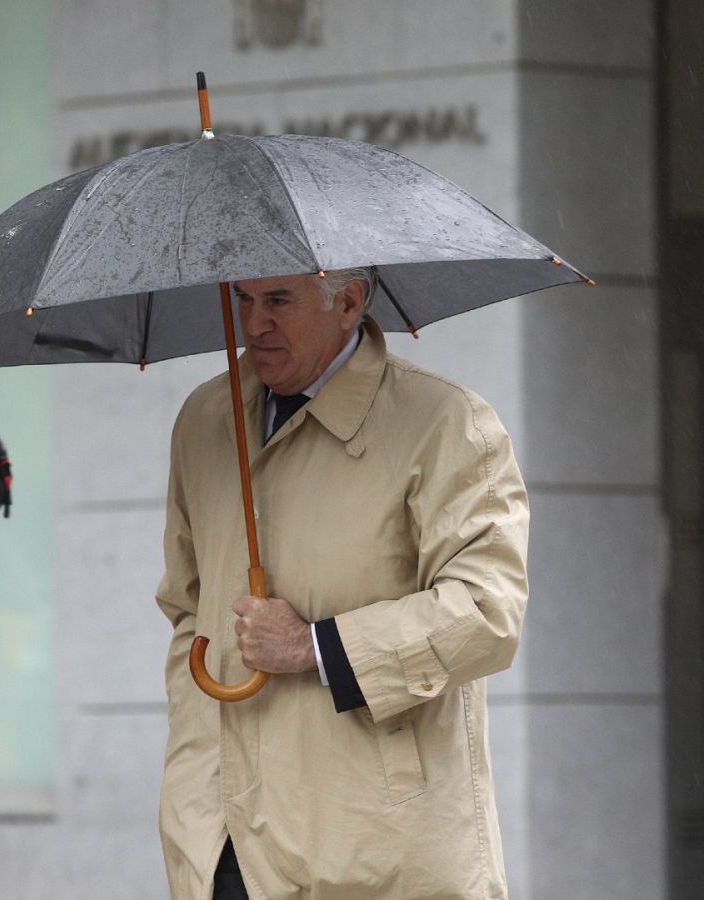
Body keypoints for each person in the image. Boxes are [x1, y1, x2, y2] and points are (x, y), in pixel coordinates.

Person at [155, 267, 530, 898]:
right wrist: (189, 787)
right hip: (223, 842)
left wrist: (315, 646)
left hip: (377, 847)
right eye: (242, 300)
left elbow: (487, 613)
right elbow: (188, 612)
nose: (254, 324)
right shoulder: (205, 420)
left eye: (278, 301)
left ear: (349, 301)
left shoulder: (443, 421)